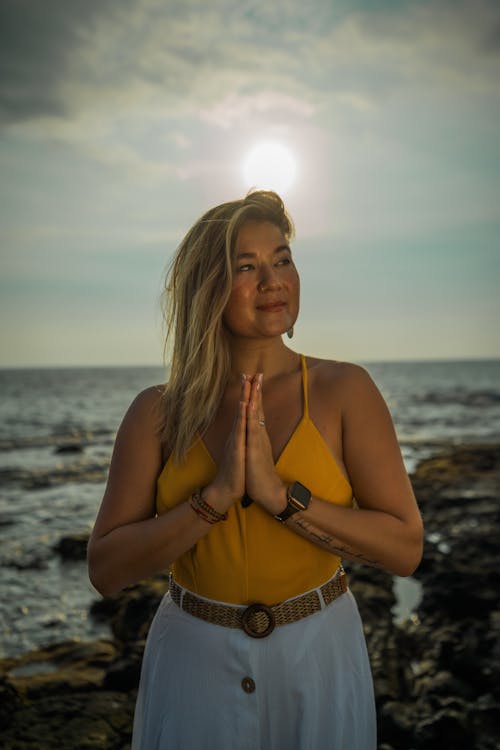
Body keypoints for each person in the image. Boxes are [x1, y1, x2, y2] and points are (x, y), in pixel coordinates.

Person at [87, 190, 423, 749]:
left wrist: (280, 496)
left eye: (283, 259)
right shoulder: (157, 413)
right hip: (193, 662)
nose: (274, 280)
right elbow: (106, 569)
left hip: (320, 656)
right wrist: (212, 500)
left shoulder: (346, 391)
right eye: (247, 266)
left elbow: (406, 549)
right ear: (207, 288)